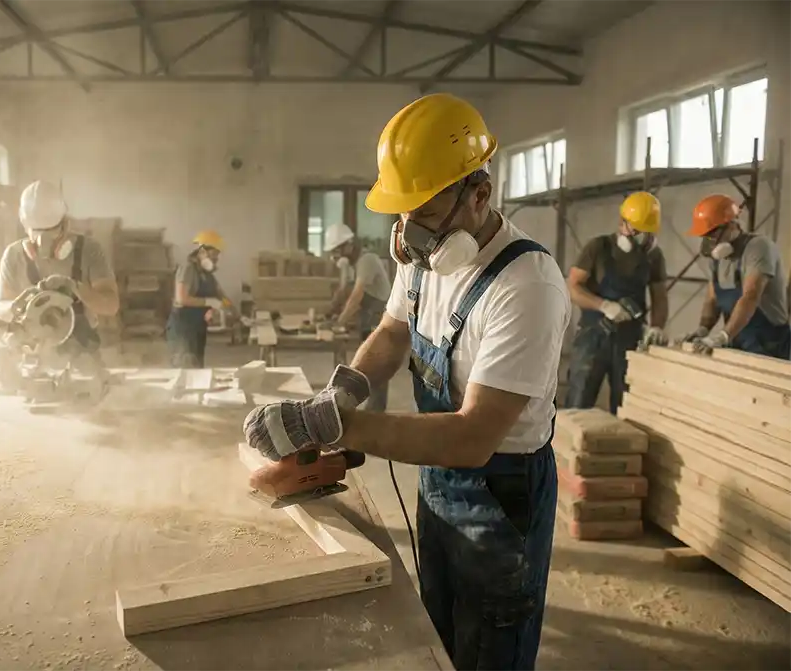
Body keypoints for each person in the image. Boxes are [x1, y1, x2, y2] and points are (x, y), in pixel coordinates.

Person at [243, 93, 569, 671]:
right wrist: (341, 390)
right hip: (438, 478)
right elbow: (393, 333)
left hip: (502, 491)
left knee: (490, 647)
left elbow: (471, 437)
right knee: (437, 631)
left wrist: (336, 425)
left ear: (479, 194)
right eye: (401, 212)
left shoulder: (527, 285)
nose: (408, 230)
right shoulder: (422, 255)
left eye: (424, 209)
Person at [564, 191, 669, 414]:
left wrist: (658, 326)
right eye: (639, 231)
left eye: (648, 233)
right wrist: (603, 305)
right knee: (579, 401)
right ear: (623, 223)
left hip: (631, 338)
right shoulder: (598, 248)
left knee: (627, 405)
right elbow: (572, 288)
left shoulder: (653, 256)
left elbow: (660, 297)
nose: (644, 238)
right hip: (593, 336)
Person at [0, 180, 119, 362]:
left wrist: (76, 287)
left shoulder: (88, 250)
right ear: (24, 223)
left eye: (51, 231)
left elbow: (111, 306)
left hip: (80, 354)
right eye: (36, 232)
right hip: (30, 354)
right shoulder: (14, 255)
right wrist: (16, 306)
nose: (42, 241)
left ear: (65, 224)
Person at [681, 194, 790, 359]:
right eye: (705, 236)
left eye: (712, 234)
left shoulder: (758, 247)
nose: (710, 242)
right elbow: (712, 299)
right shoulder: (718, 258)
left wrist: (723, 335)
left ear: (731, 225)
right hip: (738, 341)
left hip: (768, 344)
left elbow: (750, 297)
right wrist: (703, 329)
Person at [323, 222, 393, 412]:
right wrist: (330, 311)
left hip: (380, 316)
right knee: (367, 363)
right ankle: (371, 409)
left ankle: (376, 413)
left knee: (377, 364)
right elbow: (344, 289)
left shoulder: (366, 260)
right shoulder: (353, 263)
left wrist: (339, 323)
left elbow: (357, 296)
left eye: (337, 250)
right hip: (368, 315)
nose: (336, 256)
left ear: (348, 245)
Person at [166, 230, 234, 368]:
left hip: (197, 329)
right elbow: (181, 298)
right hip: (183, 330)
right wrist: (209, 302)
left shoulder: (207, 275)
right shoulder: (188, 269)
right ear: (203, 251)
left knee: (196, 369)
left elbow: (221, 296)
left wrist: (233, 310)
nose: (216, 259)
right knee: (185, 369)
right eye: (214, 255)